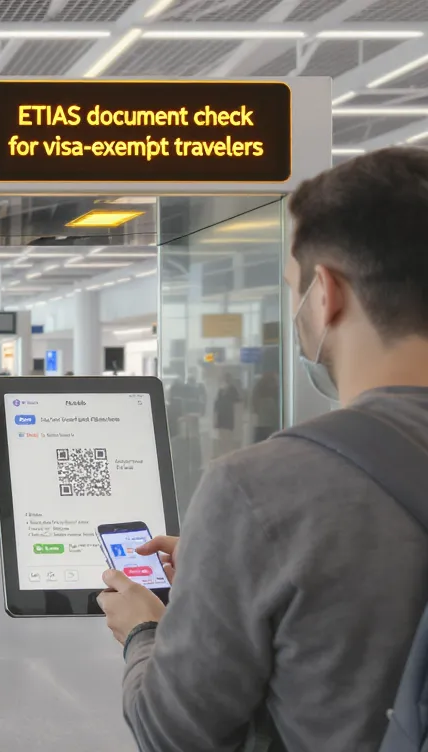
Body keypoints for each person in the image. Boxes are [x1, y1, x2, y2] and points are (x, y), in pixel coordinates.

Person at [96, 147, 428, 751]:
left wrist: (143, 632)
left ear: (326, 293)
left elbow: (173, 733)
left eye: (294, 287)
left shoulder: (263, 490)